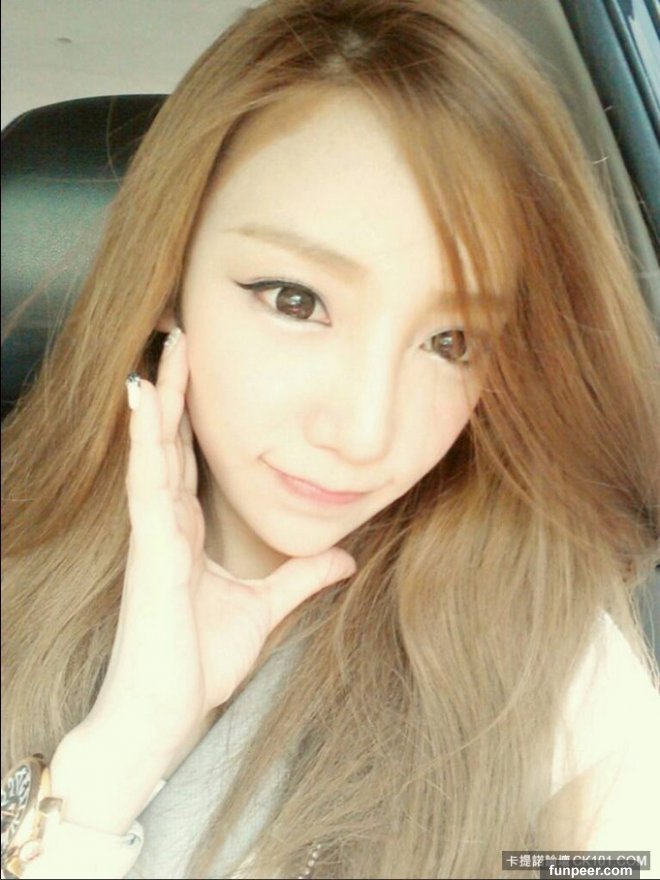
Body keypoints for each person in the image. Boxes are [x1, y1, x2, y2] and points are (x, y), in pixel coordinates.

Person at [2, 0, 659, 877]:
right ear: (168, 272)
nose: (364, 432)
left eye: (452, 342)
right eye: (296, 300)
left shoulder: (559, 681)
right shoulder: (18, 561)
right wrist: (114, 757)